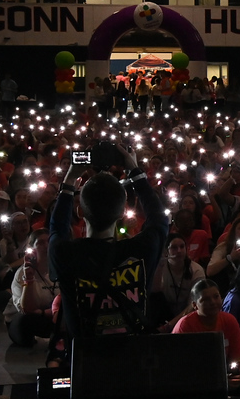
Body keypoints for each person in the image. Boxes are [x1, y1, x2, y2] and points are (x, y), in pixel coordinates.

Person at [47, 141, 170, 369]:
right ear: (123, 213)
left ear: (80, 211)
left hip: (87, 370)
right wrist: (134, 171)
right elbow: (160, 218)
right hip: (136, 366)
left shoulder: (65, 253)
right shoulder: (141, 250)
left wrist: (69, 180)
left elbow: (56, 228)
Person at [173, 278, 240, 394]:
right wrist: (218, 380)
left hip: (223, 370)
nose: (212, 302)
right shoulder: (185, 326)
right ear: (195, 305)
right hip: (195, 377)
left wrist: (238, 374)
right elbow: (181, 368)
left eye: (216, 297)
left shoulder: (229, 320)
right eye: (205, 299)